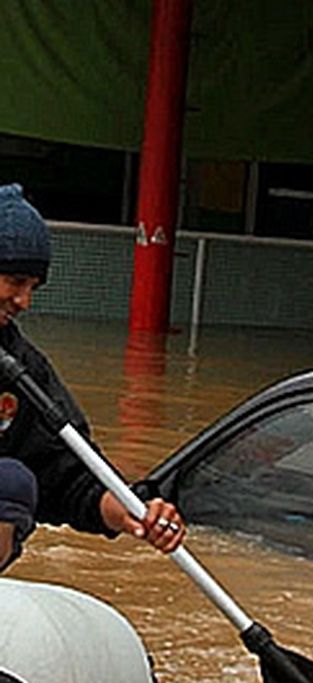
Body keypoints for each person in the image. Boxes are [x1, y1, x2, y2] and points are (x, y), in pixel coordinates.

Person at [0, 182, 185, 571]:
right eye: (16, 281)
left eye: (33, 287)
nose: (24, 301)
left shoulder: (21, 370)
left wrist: (132, 512)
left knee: (11, 484)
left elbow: (68, 476)